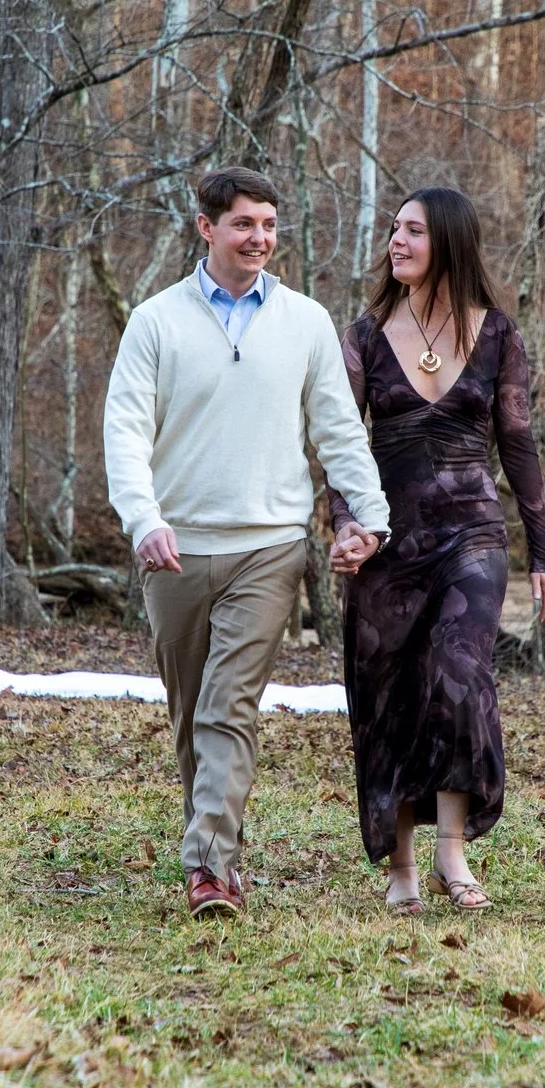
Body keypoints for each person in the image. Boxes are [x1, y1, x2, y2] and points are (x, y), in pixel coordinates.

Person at [104, 167, 393, 919]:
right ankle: (214, 844)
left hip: (270, 545)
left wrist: (370, 515)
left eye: (268, 224)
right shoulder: (155, 322)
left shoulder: (304, 322)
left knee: (229, 706)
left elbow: (338, 430)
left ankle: (210, 868)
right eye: (243, 224)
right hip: (174, 549)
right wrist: (144, 520)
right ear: (205, 227)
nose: (259, 238)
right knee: (191, 710)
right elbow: (126, 434)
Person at [330, 188, 545, 913]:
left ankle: (451, 854)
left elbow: (518, 445)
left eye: (413, 230)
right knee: (390, 693)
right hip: (386, 542)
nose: (395, 240)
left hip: (472, 536)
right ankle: (399, 865)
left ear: (449, 242)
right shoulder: (364, 334)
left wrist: (543, 552)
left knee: (461, 676)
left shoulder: (497, 335)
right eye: (394, 228)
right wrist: (345, 525)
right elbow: (339, 446)